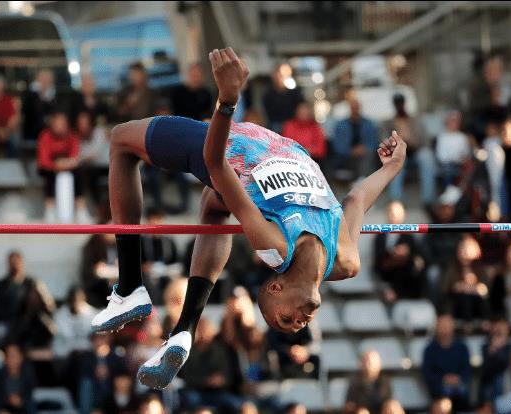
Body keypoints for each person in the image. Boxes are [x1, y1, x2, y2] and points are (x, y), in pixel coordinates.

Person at [91, 47, 404, 391]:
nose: (298, 324)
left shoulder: (275, 245)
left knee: (123, 141)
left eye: (286, 320)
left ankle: (141, 295)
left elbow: (215, 164)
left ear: (275, 286)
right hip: (277, 146)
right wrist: (390, 169)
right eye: (293, 324)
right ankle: (169, 318)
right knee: (210, 199)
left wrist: (226, 102)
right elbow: (356, 198)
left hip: (237, 148)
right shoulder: (345, 261)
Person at [36, 110, 92, 223]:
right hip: (50, 168)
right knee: (49, 174)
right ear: (52, 124)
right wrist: (56, 165)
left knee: (80, 172)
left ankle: (81, 209)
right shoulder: (45, 136)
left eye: (63, 124)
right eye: (57, 123)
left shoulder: (72, 136)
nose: (60, 127)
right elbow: (43, 160)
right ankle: (50, 209)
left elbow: (75, 156)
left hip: (68, 166)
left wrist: (66, 164)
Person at [179, 318, 246, 412]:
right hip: (196, 391)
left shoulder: (220, 350)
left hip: (217, 393)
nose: (203, 333)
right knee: (190, 399)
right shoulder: (189, 351)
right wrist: (206, 381)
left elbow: (227, 374)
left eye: (206, 329)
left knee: (234, 404)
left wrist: (222, 380)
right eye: (201, 329)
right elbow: (186, 376)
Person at [385, 93, 436, 205]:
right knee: (395, 162)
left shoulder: (415, 120)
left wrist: (415, 143)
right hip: (399, 152)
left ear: (404, 103)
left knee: (427, 157)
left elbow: (425, 138)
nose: (400, 105)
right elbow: (383, 140)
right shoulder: (389, 122)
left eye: (401, 103)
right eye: (397, 103)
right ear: (394, 105)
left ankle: (428, 200)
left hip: (416, 149)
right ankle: (396, 200)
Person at [373, 201, 426, 302]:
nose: (394, 217)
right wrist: (393, 253)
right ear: (387, 214)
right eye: (392, 213)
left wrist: (406, 254)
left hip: (405, 277)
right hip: (386, 273)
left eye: (397, 214)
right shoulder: (380, 235)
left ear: (403, 215)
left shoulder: (409, 236)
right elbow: (378, 259)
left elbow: (418, 256)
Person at [422, 313, 471, 411]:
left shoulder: (462, 347)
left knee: (462, 392)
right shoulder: (430, 349)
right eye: (442, 325)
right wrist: (443, 379)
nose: (444, 328)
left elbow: (467, 369)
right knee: (444, 399)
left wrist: (457, 378)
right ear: (436, 327)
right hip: (439, 388)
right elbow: (427, 373)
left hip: (459, 386)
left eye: (447, 325)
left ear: (452, 326)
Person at [0, 251, 36, 342]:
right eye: (12, 263)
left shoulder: (31, 283)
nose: (14, 266)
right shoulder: (0, 285)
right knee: (0, 332)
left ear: (22, 264)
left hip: (26, 323)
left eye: (17, 263)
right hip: (5, 323)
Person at [333, 97, 380, 180]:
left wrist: (363, 149)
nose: (355, 110)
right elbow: (338, 144)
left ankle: (361, 179)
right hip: (347, 154)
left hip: (364, 153)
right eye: (353, 108)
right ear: (350, 109)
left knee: (367, 154)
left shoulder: (368, 123)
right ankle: (361, 179)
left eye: (357, 108)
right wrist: (351, 151)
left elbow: (374, 141)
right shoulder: (341, 124)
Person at [0, 343, 36, 414]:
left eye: (14, 356)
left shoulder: (27, 373)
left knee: (31, 405)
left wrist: (20, 400)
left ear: (21, 357)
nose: (12, 359)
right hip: (2, 403)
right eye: (9, 356)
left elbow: (28, 392)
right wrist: (8, 399)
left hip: (22, 404)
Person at [76, 110, 110, 205]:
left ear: (90, 123)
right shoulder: (77, 137)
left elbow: (94, 155)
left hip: (108, 166)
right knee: (83, 175)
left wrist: (78, 159)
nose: (81, 125)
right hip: (92, 169)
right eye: (80, 123)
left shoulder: (99, 132)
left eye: (84, 123)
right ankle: (98, 207)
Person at [53, 286, 97, 357]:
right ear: (68, 300)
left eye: (77, 299)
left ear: (83, 298)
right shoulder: (59, 315)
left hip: (87, 355)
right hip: (64, 355)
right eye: (72, 299)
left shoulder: (93, 314)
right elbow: (60, 338)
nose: (75, 302)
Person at [344, 349, 392, 414]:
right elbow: (349, 405)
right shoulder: (355, 381)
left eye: (373, 361)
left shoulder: (385, 381)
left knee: (394, 407)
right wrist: (359, 409)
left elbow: (387, 401)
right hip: (361, 411)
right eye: (367, 361)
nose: (369, 364)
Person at [478, 318, 511, 406]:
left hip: (507, 384)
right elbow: (487, 368)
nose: (499, 330)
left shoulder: (510, 347)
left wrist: (497, 350)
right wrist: (494, 349)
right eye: (497, 326)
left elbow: (504, 364)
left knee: (499, 379)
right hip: (488, 381)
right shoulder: (485, 347)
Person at [262, 63, 303, 133]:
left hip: (293, 125)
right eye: (281, 75)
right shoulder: (268, 94)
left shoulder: (296, 92)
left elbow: (300, 110)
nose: (283, 77)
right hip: (275, 125)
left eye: (287, 75)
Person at [435, 111, 471, 187]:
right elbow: (441, 155)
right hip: (447, 164)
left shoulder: (462, 137)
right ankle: (449, 191)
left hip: (460, 164)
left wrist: (462, 158)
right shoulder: (442, 137)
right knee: (449, 171)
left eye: (455, 121)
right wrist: (454, 159)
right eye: (452, 121)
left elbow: (466, 152)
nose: (454, 124)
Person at [21, 69, 57, 144]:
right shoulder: (29, 94)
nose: (45, 80)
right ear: (37, 79)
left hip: (51, 127)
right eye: (43, 77)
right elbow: (27, 111)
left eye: (48, 78)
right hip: (33, 128)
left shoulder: (55, 95)